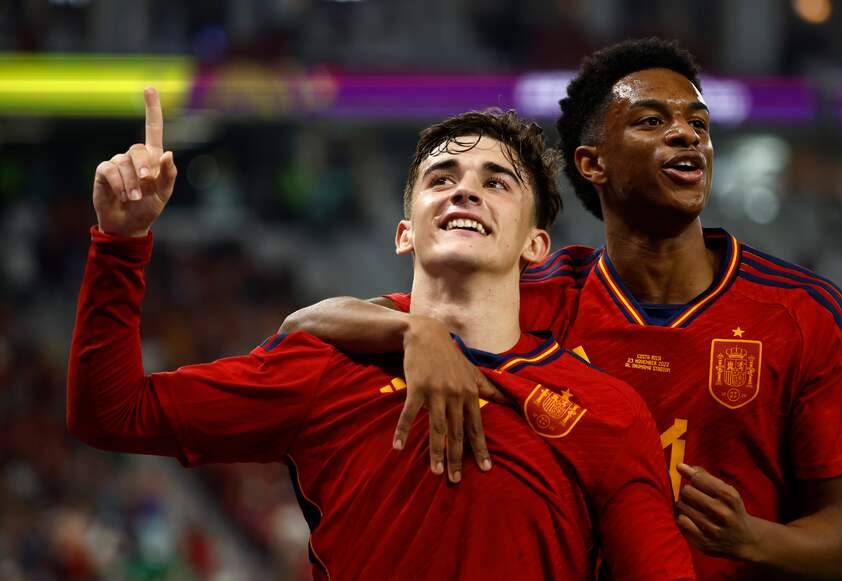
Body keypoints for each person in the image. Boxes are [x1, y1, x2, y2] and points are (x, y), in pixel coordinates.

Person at [281, 38, 842, 580]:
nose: (687, 135)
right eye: (652, 121)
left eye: (698, 123)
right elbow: (308, 325)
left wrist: (752, 539)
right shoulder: (540, 293)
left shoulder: (806, 312)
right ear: (593, 164)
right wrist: (416, 330)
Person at [68, 88, 695, 580]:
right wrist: (121, 244)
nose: (465, 190)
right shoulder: (325, 368)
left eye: (496, 182)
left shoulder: (607, 413)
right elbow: (113, 413)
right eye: (441, 178)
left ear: (536, 246)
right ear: (405, 233)